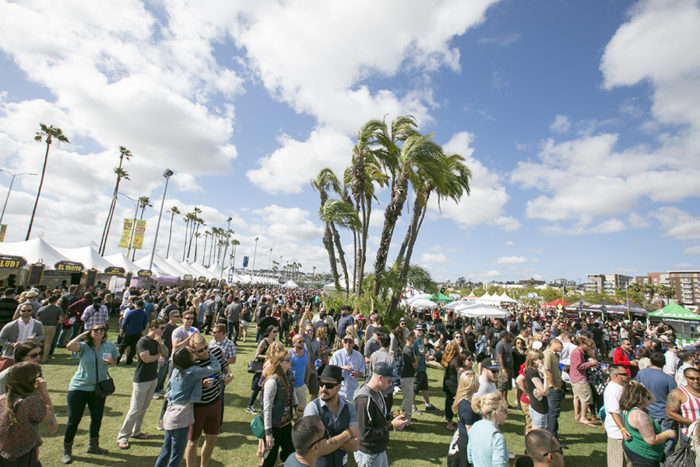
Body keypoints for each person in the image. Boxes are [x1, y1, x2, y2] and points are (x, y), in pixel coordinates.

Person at [155, 345, 221, 467]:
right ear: (187, 358)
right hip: (180, 418)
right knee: (176, 456)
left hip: (170, 413)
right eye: (192, 351)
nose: (195, 351)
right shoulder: (192, 371)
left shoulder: (176, 370)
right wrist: (208, 352)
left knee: (165, 452)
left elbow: (170, 389)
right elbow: (215, 367)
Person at [62, 323, 119, 464]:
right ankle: (67, 451)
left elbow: (114, 362)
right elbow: (69, 346)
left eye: (102, 329)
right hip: (79, 388)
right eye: (96, 330)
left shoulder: (109, 345)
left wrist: (112, 362)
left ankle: (93, 446)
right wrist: (83, 334)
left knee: (97, 417)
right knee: (74, 420)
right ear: (91, 332)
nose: (99, 332)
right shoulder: (84, 346)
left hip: (98, 389)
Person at [117, 318, 168, 449]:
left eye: (164, 328)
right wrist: (159, 355)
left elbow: (166, 353)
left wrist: (161, 344)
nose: (163, 330)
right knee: (135, 409)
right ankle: (123, 436)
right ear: (153, 328)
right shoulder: (143, 341)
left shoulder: (158, 341)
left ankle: (136, 431)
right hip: (141, 379)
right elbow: (146, 359)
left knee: (144, 407)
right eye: (161, 328)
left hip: (153, 378)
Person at [184, 333, 230, 467]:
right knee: (193, 441)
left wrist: (228, 373)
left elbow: (224, 364)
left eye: (205, 348)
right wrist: (202, 383)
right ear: (193, 351)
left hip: (215, 402)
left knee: (212, 438)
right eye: (200, 350)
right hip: (198, 407)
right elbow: (185, 384)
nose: (204, 352)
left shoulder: (215, 352)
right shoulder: (190, 362)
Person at [303, 365, 360, 467]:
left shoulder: (349, 407)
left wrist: (328, 441)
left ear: (339, 387)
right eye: (321, 384)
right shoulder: (312, 408)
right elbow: (316, 447)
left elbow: (355, 445)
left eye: (329, 386)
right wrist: (346, 434)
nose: (323, 389)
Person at [353, 362, 408, 467]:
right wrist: (391, 426)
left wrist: (390, 416)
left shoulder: (377, 392)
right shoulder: (364, 399)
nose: (390, 384)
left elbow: (375, 417)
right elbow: (365, 434)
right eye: (389, 381)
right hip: (369, 454)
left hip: (378, 450)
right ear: (380, 377)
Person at [0, 362, 54, 465]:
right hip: (24, 455)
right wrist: (44, 393)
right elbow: (49, 414)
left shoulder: (3, 399)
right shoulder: (31, 401)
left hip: (4, 454)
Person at [620, 381, 676, 467]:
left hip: (637, 451)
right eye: (646, 395)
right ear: (641, 398)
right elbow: (651, 440)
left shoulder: (630, 409)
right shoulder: (640, 416)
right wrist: (667, 434)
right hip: (644, 456)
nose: (649, 397)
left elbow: (653, 399)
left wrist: (642, 388)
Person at [262, 342, 299, 467]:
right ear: (280, 362)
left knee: (291, 451)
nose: (290, 361)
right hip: (274, 425)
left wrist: (296, 406)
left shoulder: (289, 374)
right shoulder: (272, 381)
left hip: (286, 423)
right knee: (269, 459)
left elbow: (291, 392)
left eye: (290, 359)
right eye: (288, 360)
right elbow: (266, 408)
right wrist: (268, 433)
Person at [634, 351, 677, 456]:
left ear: (651, 361)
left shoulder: (641, 373)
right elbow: (674, 399)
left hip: (647, 413)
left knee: (649, 442)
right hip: (664, 415)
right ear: (664, 363)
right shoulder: (668, 379)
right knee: (666, 446)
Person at [446, 370, 481, 467]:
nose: (479, 384)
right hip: (465, 445)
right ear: (471, 385)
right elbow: (470, 432)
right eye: (477, 382)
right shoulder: (466, 407)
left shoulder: (466, 402)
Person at [467, 392, 509, 467]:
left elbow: (470, 458)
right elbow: (499, 465)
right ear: (494, 413)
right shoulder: (497, 438)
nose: (506, 413)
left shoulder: (474, 427)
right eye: (504, 410)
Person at [0, 303, 45, 371]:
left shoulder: (37, 324)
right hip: (11, 354)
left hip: (29, 355)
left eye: (29, 310)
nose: (26, 312)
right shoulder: (11, 325)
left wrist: (35, 339)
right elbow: (1, 339)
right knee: (5, 374)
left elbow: (42, 336)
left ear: (32, 311)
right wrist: (12, 344)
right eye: (24, 311)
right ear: (19, 311)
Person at [604, 364, 632, 467]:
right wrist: (622, 429)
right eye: (624, 374)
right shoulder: (613, 390)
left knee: (628, 462)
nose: (628, 376)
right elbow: (614, 412)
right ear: (616, 375)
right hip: (617, 433)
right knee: (617, 462)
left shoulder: (621, 387)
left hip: (625, 431)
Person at [666, 365, 700, 443]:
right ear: (685, 377)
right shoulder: (677, 393)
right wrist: (694, 423)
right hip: (689, 434)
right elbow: (670, 413)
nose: (696, 381)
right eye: (692, 378)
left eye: (698, 378)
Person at [248, 325, 278, 414]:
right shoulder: (264, 341)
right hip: (262, 368)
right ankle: (250, 405)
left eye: (276, 332)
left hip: (270, 368)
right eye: (274, 332)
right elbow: (256, 355)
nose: (276, 333)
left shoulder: (274, 342)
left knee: (267, 387)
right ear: (269, 332)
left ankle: (265, 406)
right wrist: (267, 357)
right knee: (257, 387)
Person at [570, 336, 598, 427]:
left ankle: (577, 415)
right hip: (580, 378)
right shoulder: (577, 352)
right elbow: (579, 366)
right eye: (586, 344)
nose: (587, 346)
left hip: (575, 378)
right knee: (586, 397)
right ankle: (583, 417)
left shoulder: (577, 352)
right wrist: (591, 363)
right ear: (582, 344)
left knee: (577, 397)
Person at [329, 335, 365, 402]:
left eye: (350, 342)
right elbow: (330, 370)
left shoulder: (359, 356)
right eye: (346, 341)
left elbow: (363, 372)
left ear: (353, 343)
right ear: (342, 342)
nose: (348, 344)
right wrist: (342, 368)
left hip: (353, 391)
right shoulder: (336, 355)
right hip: (339, 391)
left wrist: (357, 374)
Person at [542, 338, 564, 445]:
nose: (562, 346)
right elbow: (547, 371)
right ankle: (552, 437)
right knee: (553, 413)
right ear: (554, 343)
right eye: (560, 344)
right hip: (552, 388)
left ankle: (554, 434)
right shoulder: (547, 354)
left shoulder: (555, 355)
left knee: (555, 413)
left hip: (556, 386)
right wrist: (554, 385)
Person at [412, 325, 437, 413]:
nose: (420, 332)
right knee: (415, 388)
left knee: (424, 387)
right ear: (414, 331)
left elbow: (422, 353)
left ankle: (428, 405)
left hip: (423, 367)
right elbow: (413, 356)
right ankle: (412, 406)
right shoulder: (413, 342)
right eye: (418, 330)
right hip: (417, 368)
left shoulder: (421, 341)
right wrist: (415, 369)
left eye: (421, 330)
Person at [118, 299, 149, 366]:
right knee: (133, 348)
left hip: (129, 331)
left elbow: (125, 322)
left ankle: (117, 360)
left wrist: (122, 330)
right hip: (138, 332)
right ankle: (129, 362)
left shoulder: (130, 312)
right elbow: (145, 323)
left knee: (122, 347)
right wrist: (143, 330)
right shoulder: (144, 313)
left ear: (135, 305)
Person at [524, 349, 549, 430]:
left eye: (542, 357)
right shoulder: (532, 372)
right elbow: (545, 392)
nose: (543, 360)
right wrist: (546, 375)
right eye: (540, 358)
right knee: (538, 435)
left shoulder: (537, 370)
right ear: (533, 360)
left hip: (540, 405)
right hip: (538, 407)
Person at [35, 294, 63, 362]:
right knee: (48, 343)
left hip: (41, 326)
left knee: (40, 342)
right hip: (51, 326)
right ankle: (44, 358)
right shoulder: (58, 309)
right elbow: (61, 319)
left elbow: (37, 318)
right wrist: (57, 323)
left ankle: (38, 357)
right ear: (55, 301)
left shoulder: (42, 308)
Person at [442, 340, 462, 431]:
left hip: (447, 383)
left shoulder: (447, 359)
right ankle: (450, 423)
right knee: (456, 403)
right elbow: (459, 372)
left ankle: (448, 420)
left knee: (448, 402)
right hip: (453, 384)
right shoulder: (455, 361)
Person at [399, 330, 418, 424]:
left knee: (408, 399)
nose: (415, 339)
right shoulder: (408, 350)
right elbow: (415, 365)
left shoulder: (408, 349)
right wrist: (417, 359)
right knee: (407, 400)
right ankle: (404, 420)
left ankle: (407, 419)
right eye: (414, 338)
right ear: (410, 338)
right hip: (407, 377)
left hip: (408, 376)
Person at [290, 334, 311, 410]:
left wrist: (306, 381)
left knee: (302, 408)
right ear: (293, 343)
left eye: (303, 341)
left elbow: (308, 368)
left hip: (302, 385)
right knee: (291, 408)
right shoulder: (289, 354)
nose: (302, 343)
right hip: (291, 386)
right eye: (300, 341)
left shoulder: (306, 353)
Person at [302, 324, 321, 400]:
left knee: (315, 392)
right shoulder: (303, 339)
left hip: (313, 370)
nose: (310, 332)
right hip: (303, 369)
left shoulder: (316, 342)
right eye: (308, 331)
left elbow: (318, 356)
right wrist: (305, 314)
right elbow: (301, 327)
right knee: (301, 391)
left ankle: (312, 408)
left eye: (311, 331)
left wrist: (318, 363)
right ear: (304, 331)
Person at [495, 331, 514, 408]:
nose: (509, 336)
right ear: (504, 336)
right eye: (507, 335)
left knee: (506, 386)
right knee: (501, 386)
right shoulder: (500, 345)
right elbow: (500, 357)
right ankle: (500, 404)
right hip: (503, 368)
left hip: (508, 367)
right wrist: (503, 369)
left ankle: (505, 402)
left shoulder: (507, 344)